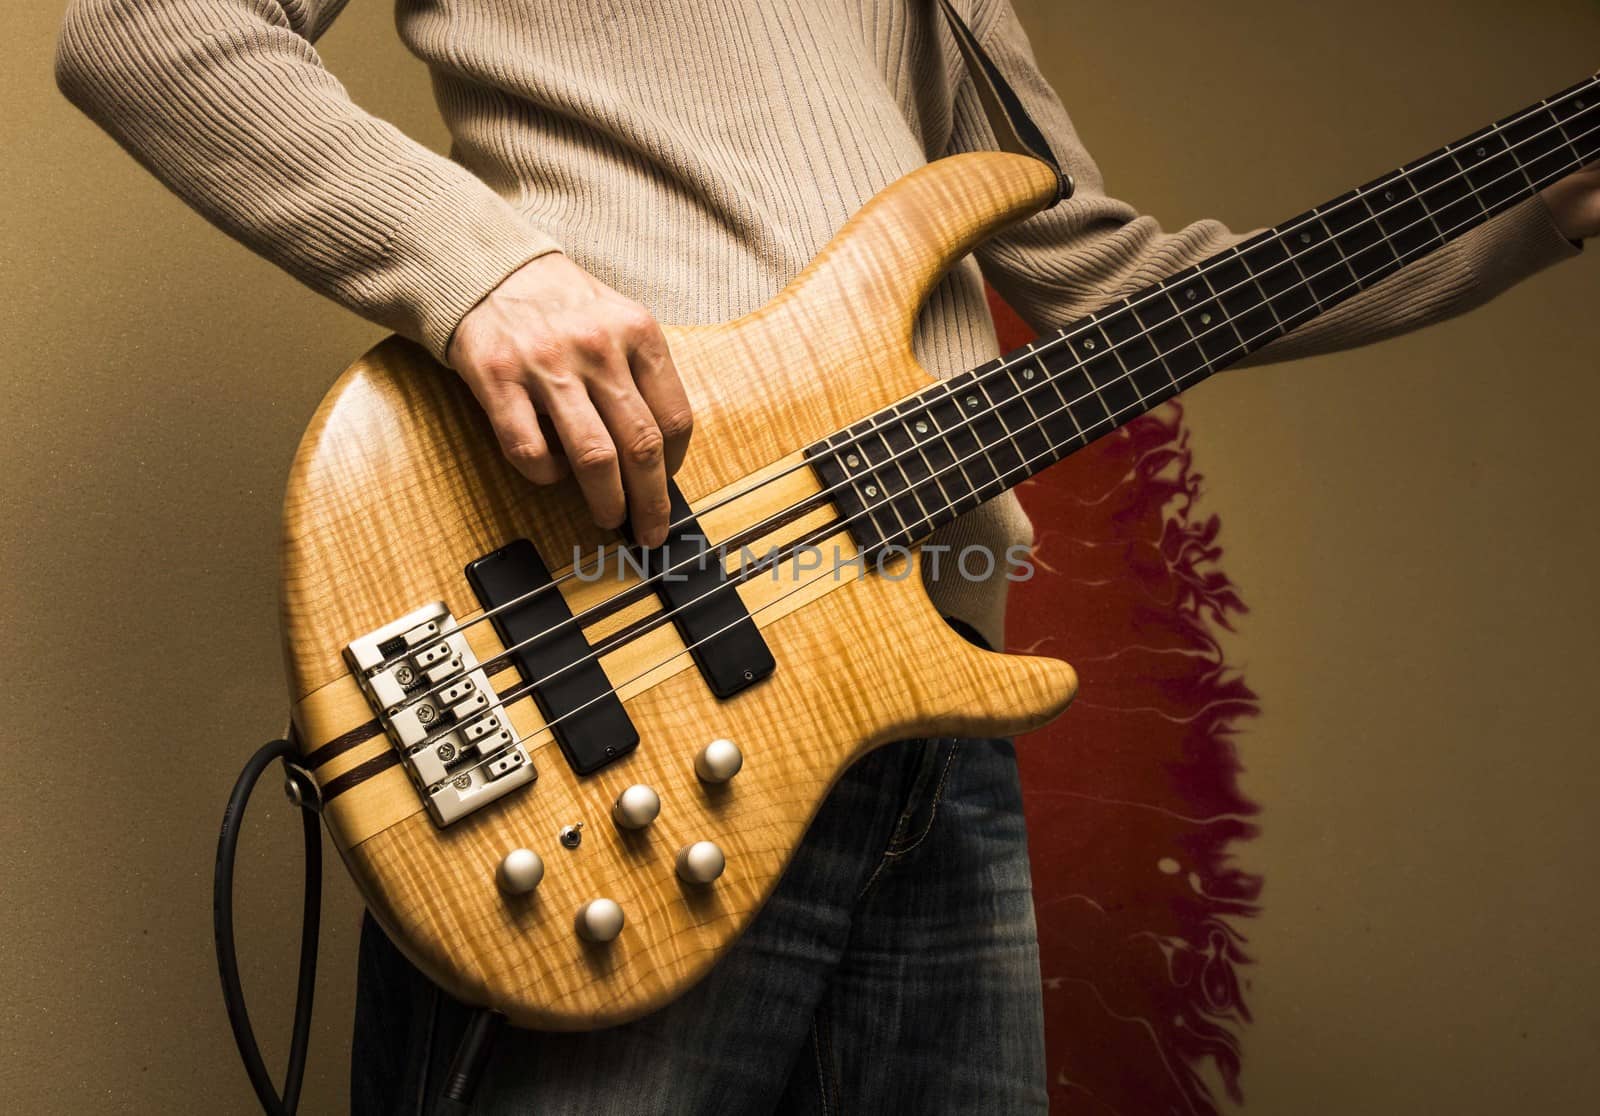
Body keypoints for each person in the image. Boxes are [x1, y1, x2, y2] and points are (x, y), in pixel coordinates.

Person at [55, 1, 1595, 1112]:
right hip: (616, 652)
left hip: (921, 717)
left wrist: (1540, 207)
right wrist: (483, 272)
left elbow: (1105, 279)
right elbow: (145, 24)